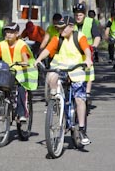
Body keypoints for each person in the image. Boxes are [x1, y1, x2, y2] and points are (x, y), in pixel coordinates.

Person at [35, 16, 93, 146]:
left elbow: (86, 49)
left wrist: (88, 59)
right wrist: (38, 59)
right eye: (59, 28)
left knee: (79, 99)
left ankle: (82, 130)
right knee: (51, 75)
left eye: (63, 28)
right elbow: (47, 50)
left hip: (77, 69)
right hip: (61, 68)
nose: (60, 30)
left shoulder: (79, 37)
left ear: (71, 27)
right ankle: (56, 100)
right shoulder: (57, 38)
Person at [0, 23, 38, 122]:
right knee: (0, 85)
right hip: (9, 71)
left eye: (11, 32)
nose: (9, 34)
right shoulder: (2, 44)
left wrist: (24, 63)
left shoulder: (21, 45)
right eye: (7, 32)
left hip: (23, 72)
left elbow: (25, 58)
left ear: (17, 34)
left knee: (21, 89)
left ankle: (21, 114)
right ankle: (3, 108)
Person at [73, 3, 101, 98]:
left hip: (87, 51)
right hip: (74, 52)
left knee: (88, 70)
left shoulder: (90, 22)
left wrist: (94, 46)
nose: (78, 17)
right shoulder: (71, 23)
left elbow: (97, 36)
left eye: (80, 15)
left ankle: (87, 93)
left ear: (84, 15)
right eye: (76, 15)